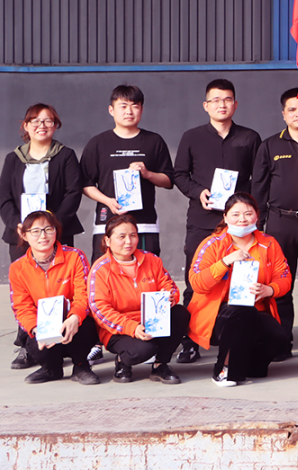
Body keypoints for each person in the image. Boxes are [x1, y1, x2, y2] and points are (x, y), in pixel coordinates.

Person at [173, 78, 261, 363]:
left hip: (240, 222)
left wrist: (246, 204)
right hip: (203, 219)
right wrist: (198, 192)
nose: (222, 105)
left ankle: (239, 335)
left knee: (245, 276)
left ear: (235, 104)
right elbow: (179, 175)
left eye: (227, 100)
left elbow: (258, 176)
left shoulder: (250, 137)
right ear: (206, 105)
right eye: (216, 100)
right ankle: (190, 341)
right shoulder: (192, 137)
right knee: (196, 280)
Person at [1, 104, 85, 371]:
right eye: (35, 121)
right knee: (27, 291)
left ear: (55, 126)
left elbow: (73, 192)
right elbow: (4, 198)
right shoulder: (13, 158)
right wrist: (18, 226)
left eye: (48, 121)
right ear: (25, 126)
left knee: (63, 288)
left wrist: (53, 225)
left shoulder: (66, 155)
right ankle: (28, 345)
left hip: (57, 230)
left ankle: (66, 340)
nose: (42, 125)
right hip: (22, 235)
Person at [186, 192, 293, 387]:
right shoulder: (212, 245)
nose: (242, 219)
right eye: (235, 214)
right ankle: (224, 370)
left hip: (257, 311)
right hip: (220, 313)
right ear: (225, 217)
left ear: (257, 216)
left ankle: (246, 364)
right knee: (241, 313)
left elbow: (284, 277)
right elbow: (197, 283)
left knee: (278, 340)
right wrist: (224, 262)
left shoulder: (269, 243)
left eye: (248, 213)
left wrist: (269, 290)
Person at [251, 88, 298, 358]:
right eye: (292, 109)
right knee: (281, 284)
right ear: (283, 114)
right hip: (281, 222)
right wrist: (257, 226)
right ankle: (282, 342)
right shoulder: (270, 145)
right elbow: (259, 188)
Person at [88, 214, 189, 384]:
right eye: (121, 237)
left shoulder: (151, 260)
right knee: (144, 350)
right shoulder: (100, 270)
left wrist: (170, 296)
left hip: (151, 321)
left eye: (133, 235)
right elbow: (100, 309)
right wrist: (132, 328)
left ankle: (160, 365)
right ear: (107, 240)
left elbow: (168, 284)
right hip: (120, 329)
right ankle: (122, 362)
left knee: (180, 313)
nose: (128, 241)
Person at [79, 85, 173, 263]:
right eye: (123, 106)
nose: (129, 111)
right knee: (106, 273)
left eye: (134, 106)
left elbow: (168, 180)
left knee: (146, 270)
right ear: (111, 110)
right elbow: (85, 183)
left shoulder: (154, 141)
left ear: (141, 110)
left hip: (144, 224)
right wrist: (107, 201)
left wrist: (147, 174)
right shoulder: (98, 143)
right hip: (108, 223)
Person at [8, 211, 98, 384]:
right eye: (35, 231)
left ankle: (81, 366)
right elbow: (22, 307)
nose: (43, 236)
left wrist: (75, 317)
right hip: (43, 324)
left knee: (87, 326)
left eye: (48, 229)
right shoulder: (17, 268)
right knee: (35, 343)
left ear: (56, 231)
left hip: (71, 321)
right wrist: (37, 329)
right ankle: (51, 369)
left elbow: (83, 294)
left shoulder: (75, 256)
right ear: (24, 235)